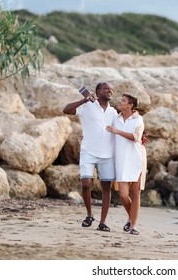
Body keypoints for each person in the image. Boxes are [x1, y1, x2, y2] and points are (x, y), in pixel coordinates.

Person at [63, 82, 116, 232]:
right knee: (86, 184)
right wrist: (84, 100)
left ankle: (103, 222)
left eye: (111, 89)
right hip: (88, 152)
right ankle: (89, 214)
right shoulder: (87, 106)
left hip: (107, 154)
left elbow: (121, 128)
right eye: (106, 88)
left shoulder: (113, 112)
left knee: (107, 188)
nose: (110, 91)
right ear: (98, 92)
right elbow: (66, 109)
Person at [106, 93, 147, 235]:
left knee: (135, 194)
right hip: (121, 160)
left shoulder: (138, 119)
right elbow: (104, 128)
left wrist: (117, 131)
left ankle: (133, 226)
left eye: (123, 101)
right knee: (123, 195)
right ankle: (131, 218)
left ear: (130, 105)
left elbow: (136, 137)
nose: (120, 102)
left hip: (136, 159)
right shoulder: (115, 118)